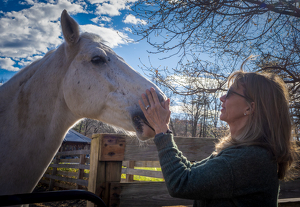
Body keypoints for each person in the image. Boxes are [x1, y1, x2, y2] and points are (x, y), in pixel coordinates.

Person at [139, 70, 297, 207]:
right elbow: (190, 172)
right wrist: (163, 128)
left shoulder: (250, 158)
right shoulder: (242, 153)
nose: (222, 98)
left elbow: (180, 182)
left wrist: (161, 130)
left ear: (250, 107)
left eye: (229, 93)